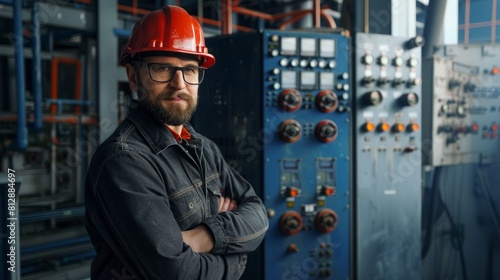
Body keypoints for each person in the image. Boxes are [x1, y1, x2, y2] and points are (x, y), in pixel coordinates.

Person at [84, 5, 269, 280]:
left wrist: (204, 235)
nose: (179, 84)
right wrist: (237, 261)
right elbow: (176, 273)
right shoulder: (123, 161)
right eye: (162, 69)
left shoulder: (204, 148)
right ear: (134, 77)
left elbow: (258, 214)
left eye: (190, 70)